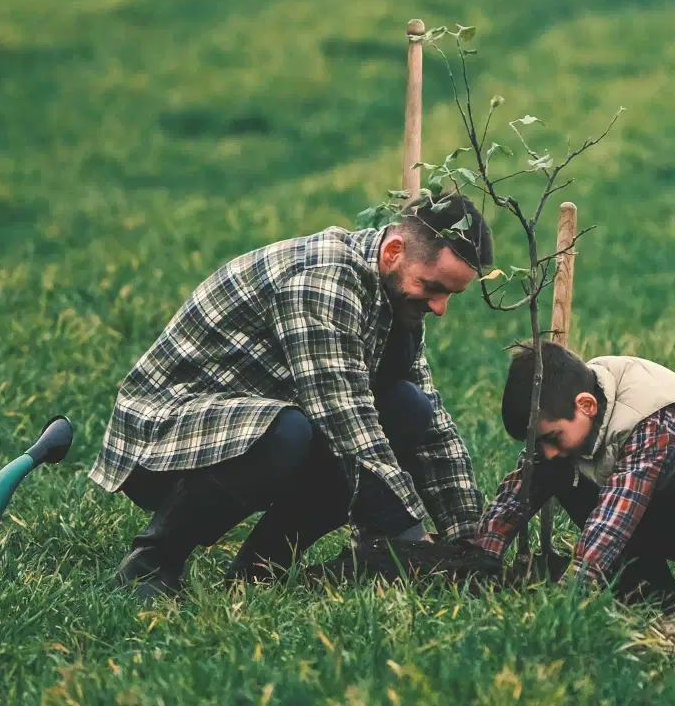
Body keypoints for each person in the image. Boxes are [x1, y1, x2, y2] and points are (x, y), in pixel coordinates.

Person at [87, 192, 492, 599]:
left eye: (450, 295)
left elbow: (434, 428)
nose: (440, 308)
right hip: (166, 436)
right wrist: (407, 533)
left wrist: (470, 539)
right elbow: (342, 413)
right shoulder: (323, 277)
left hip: (255, 426)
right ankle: (152, 562)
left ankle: (260, 570)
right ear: (393, 251)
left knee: (409, 408)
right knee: (290, 432)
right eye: (433, 287)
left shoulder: (394, 299)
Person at [471, 341, 675, 609]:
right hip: (657, 510)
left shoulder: (647, 410)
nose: (546, 450)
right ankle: (646, 585)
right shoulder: (569, 399)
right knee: (554, 468)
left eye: (552, 437)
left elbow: (621, 507)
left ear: (586, 406)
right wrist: (485, 555)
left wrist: (576, 586)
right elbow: (520, 489)